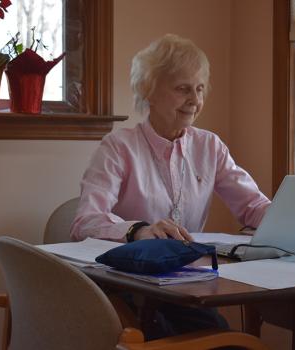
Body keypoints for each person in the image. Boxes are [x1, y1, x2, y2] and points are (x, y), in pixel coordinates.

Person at [70, 33, 271, 340]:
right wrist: (138, 231)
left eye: (200, 89)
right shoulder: (119, 147)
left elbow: (253, 206)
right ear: (148, 91)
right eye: (182, 89)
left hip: (187, 287)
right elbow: (85, 222)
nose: (195, 100)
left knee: (223, 342)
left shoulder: (209, 146)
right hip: (128, 289)